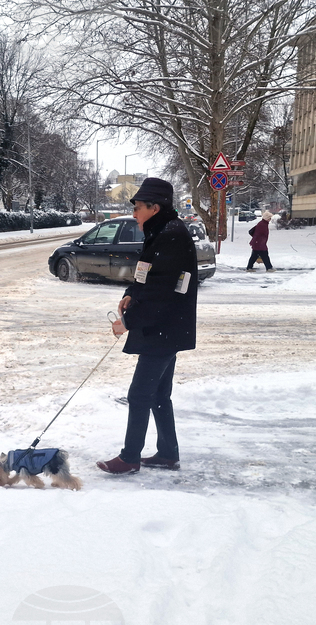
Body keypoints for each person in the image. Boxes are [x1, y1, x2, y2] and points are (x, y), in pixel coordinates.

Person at [97, 177, 198, 475]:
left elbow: (162, 292)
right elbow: (147, 277)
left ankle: (130, 457)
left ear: (155, 207)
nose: (135, 213)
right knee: (158, 394)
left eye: (139, 207)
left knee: (140, 394)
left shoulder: (170, 235)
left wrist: (127, 322)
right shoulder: (161, 231)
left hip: (163, 328)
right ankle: (168, 453)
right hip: (166, 328)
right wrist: (131, 294)